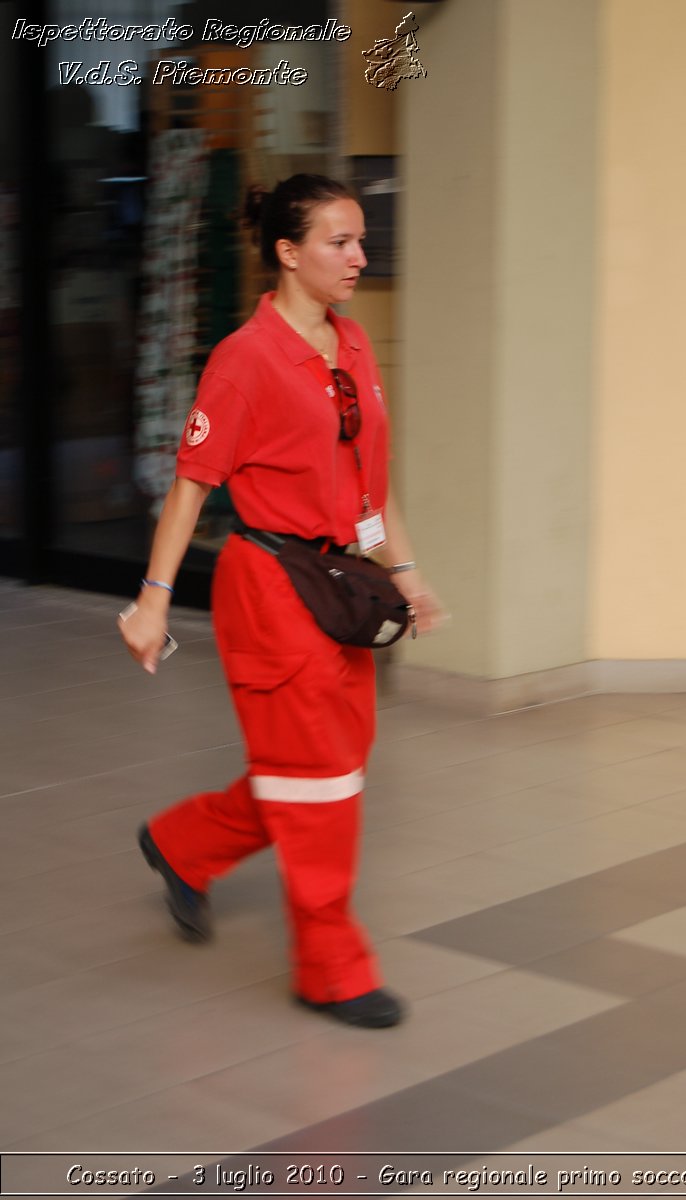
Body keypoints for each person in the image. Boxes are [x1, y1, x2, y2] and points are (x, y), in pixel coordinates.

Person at [118, 174, 443, 1029]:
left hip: (342, 587)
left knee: (330, 763)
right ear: (288, 253)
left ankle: (184, 844)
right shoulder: (244, 359)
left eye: (362, 240)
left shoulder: (357, 347)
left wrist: (403, 572)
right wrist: (152, 600)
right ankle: (331, 969)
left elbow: (372, 488)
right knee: (320, 780)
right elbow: (191, 488)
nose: (359, 257)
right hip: (269, 587)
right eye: (340, 242)